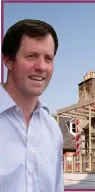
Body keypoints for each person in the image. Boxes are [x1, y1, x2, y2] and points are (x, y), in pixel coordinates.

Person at [0, 19, 63, 191]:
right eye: (31, 56)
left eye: (48, 58)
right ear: (8, 61)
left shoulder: (53, 131)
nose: (42, 66)